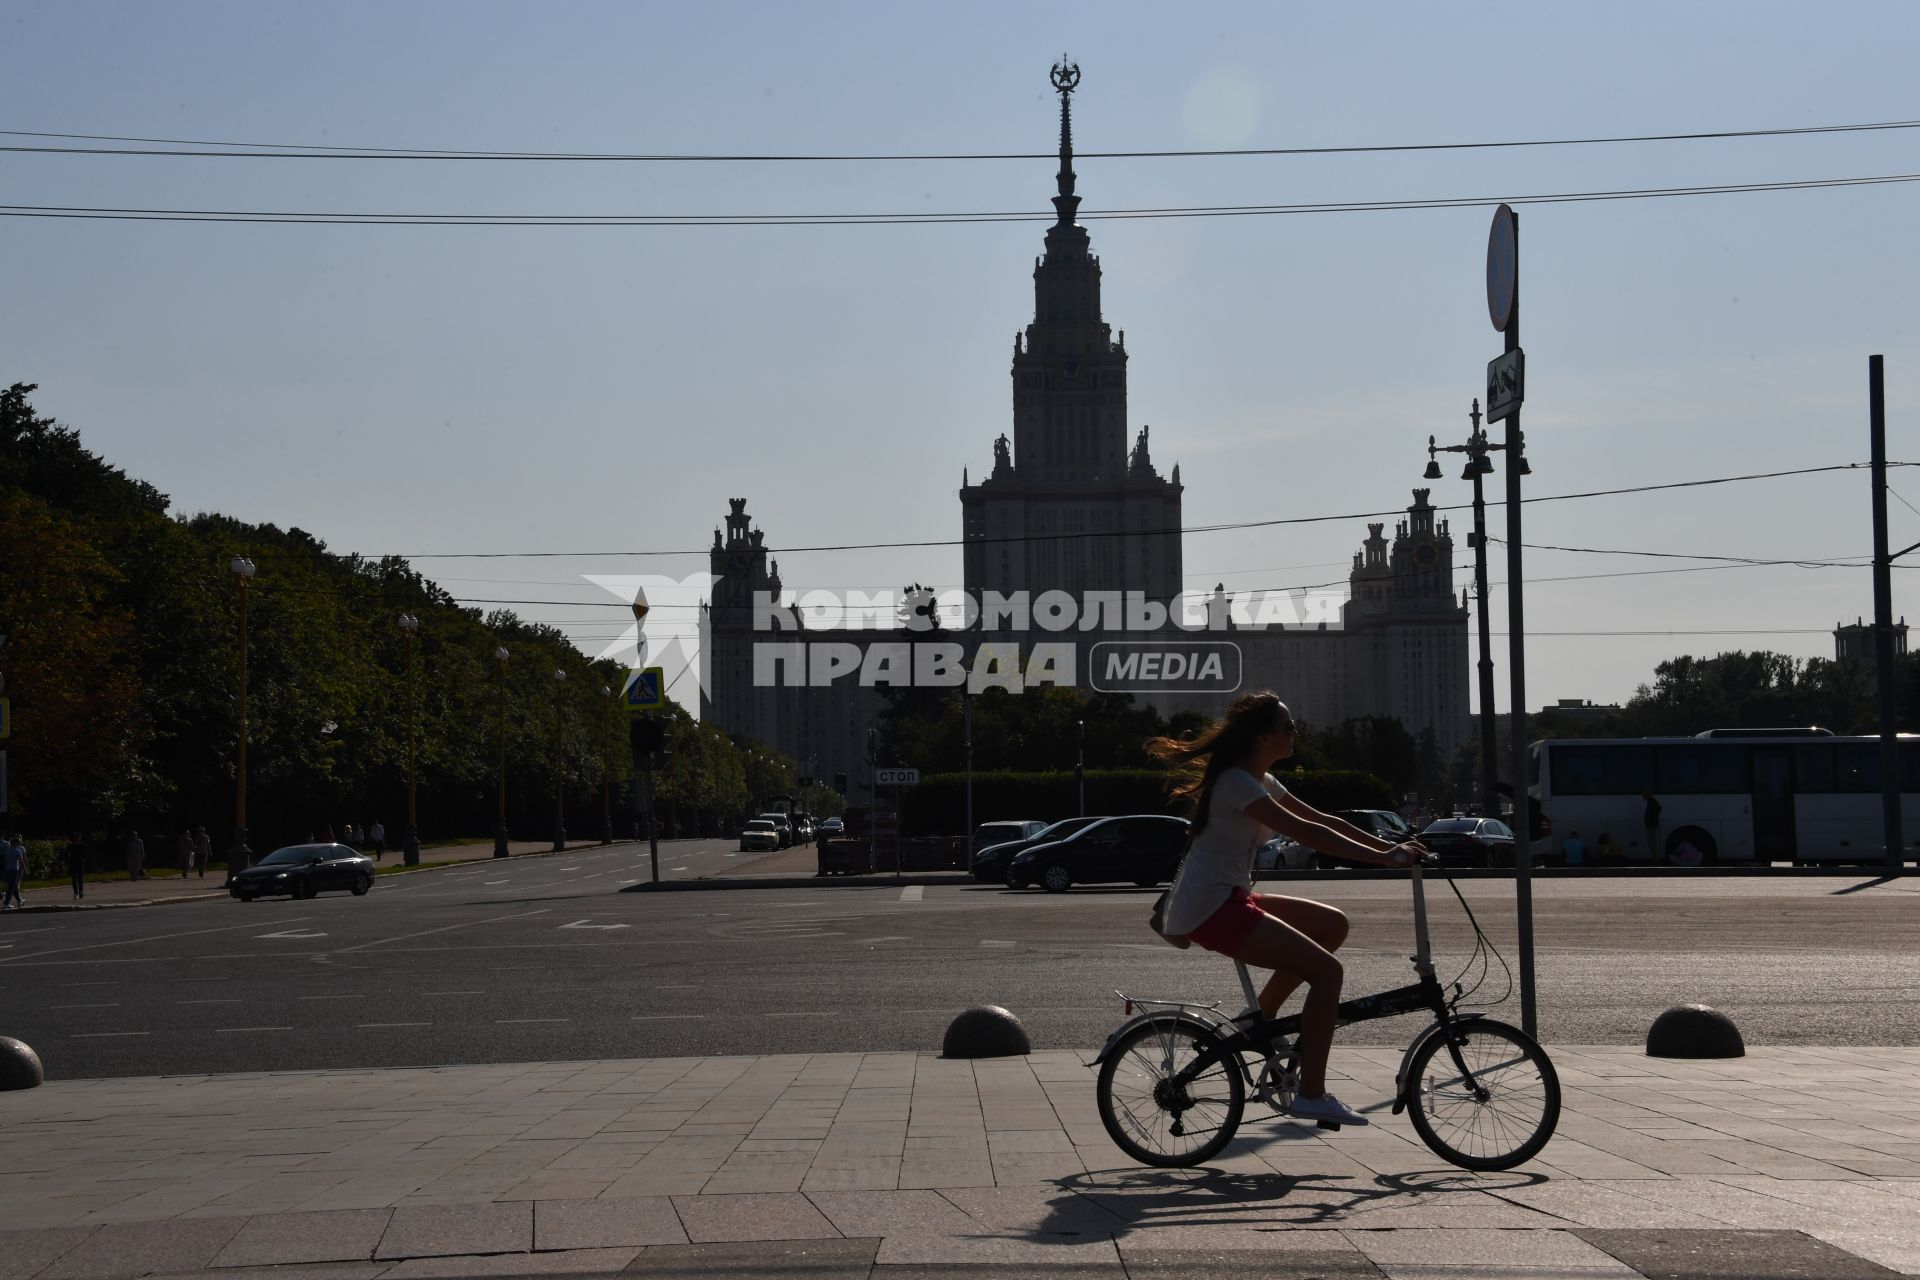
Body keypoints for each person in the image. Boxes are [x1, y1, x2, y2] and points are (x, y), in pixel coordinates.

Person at [1146, 691, 1425, 1129]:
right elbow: (1306, 833)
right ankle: (1312, 1094)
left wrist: (1392, 847)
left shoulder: (1260, 780)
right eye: (1288, 727)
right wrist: (1386, 861)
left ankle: (1259, 1015)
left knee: (1332, 925)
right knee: (1328, 973)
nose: (1295, 733)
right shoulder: (1237, 783)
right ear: (1263, 738)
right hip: (1212, 909)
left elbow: (1325, 821)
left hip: (1231, 899)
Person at [1, 834, 25, 910]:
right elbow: (21, 861)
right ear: (15, 843)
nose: (20, 844)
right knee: (11, 887)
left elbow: (5, 861)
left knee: (13, 886)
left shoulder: (7, 851)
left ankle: (19, 901)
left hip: (8, 870)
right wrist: (25, 870)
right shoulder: (18, 851)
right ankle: (6, 903)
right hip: (14, 870)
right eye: (19, 843)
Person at [1641, 793, 1663, 863]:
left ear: (1648, 795)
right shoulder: (1651, 801)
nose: (1642, 796)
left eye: (1643, 795)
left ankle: (1655, 859)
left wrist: (1651, 819)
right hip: (1651, 824)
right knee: (1651, 842)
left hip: (1651, 825)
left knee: (1651, 842)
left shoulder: (1651, 801)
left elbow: (1658, 808)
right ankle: (1654, 858)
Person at [66, 832, 88, 900]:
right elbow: (67, 853)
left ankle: (81, 891)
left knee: (80, 879)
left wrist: (83, 858)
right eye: (76, 836)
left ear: (80, 838)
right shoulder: (71, 845)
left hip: (80, 863)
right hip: (73, 863)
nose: (77, 838)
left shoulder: (83, 845)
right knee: (74, 879)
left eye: (78, 836)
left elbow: (86, 853)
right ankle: (76, 893)